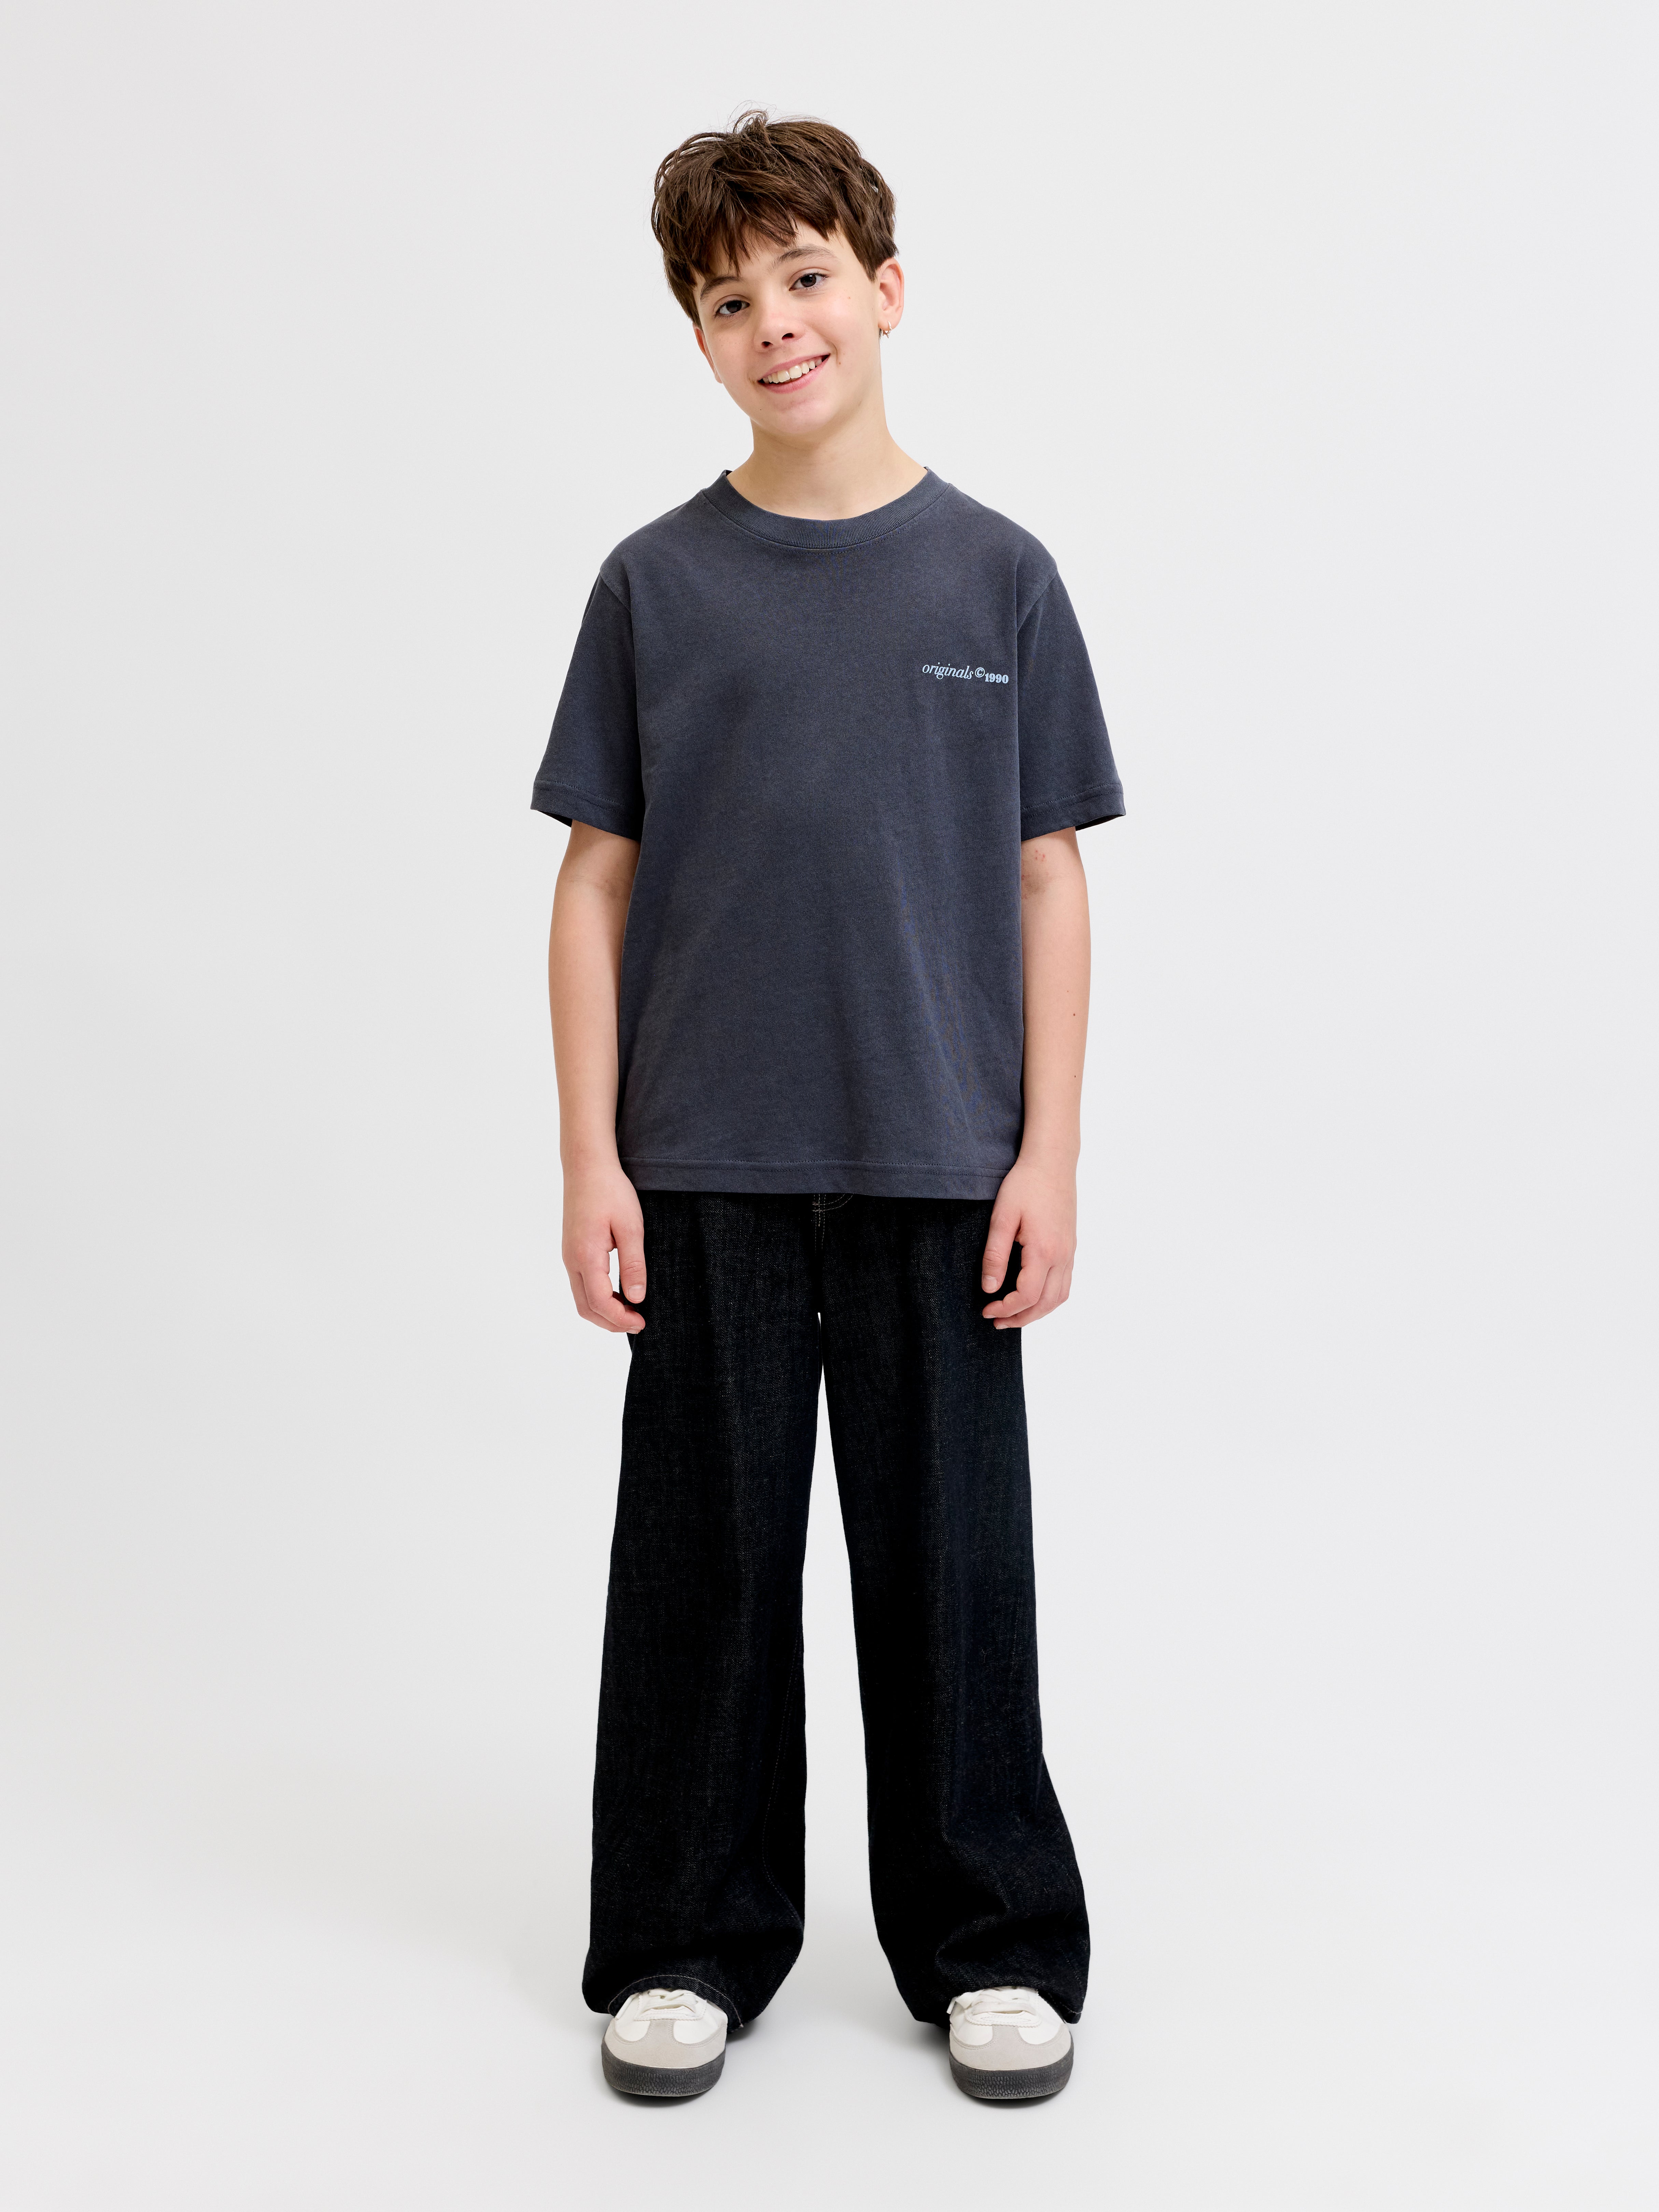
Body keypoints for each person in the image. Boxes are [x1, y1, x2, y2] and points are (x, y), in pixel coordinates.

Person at [533, 110, 1123, 2103]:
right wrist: (591, 1158)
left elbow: (1047, 877)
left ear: (885, 288)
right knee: (702, 1563)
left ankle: (992, 1943)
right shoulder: (656, 585)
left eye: (804, 278)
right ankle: (684, 1940)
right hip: (702, 1156)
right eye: (729, 300)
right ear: (698, 339)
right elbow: (594, 880)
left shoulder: (999, 576)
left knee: (953, 1566)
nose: (774, 323)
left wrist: (1047, 1153)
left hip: (941, 1159)